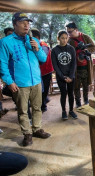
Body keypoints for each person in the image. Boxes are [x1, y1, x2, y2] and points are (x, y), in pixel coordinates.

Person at [0, 12, 51, 146]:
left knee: (37, 107)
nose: (26, 25)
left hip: (36, 81)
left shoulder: (32, 40)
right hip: (20, 84)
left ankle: (37, 129)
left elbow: (43, 59)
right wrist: (9, 82)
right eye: (23, 22)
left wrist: (36, 48)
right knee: (23, 110)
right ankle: (27, 134)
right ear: (15, 24)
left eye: (28, 23)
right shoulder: (6, 42)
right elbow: (3, 65)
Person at [65, 21, 95, 107]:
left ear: (76, 30)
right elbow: (67, 53)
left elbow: (93, 47)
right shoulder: (69, 40)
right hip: (75, 68)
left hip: (86, 66)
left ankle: (86, 100)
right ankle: (78, 102)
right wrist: (76, 49)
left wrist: (87, 51)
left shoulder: (85, 37)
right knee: (76, 86)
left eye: (70, 31)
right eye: (68, 32)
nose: (69, 34)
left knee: (86, 85)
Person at [51, 30, 77, 120]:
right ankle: (63, 111)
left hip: (71, 76)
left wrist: (70, 76)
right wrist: (63, 76)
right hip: (61, 76)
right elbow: (55, 66)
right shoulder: (54, 50)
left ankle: (71, 110)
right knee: (63, 93)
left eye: (66, 38)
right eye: (62, 38)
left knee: (71, 93)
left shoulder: (71, 49)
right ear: (58, 38)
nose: (64, 40)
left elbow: (74, 63)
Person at [31, 28, 54, 113]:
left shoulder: (43, 45)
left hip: (46, 71)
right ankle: (42, 103)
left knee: (44, 89)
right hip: (38, 72)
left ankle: (43, 105)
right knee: (40, 90)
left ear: (36, 37)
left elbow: (42, 58)